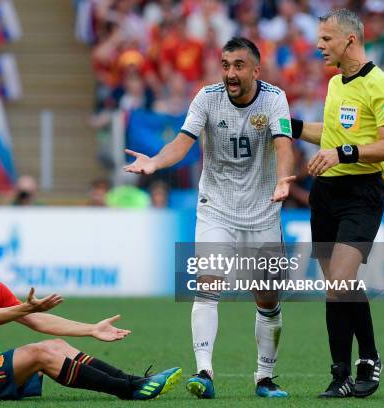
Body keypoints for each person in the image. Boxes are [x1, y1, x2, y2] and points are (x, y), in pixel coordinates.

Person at [125, 37, 295, 399]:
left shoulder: (274, 98)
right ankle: (204, 372)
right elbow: (183, 142)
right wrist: (155, 161)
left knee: (267, 298)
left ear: (255, 70)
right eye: (225, 65)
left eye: (238, 66)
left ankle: (264, 377)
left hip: (263, 210)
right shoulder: (207, 97)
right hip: (216, 207)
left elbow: (284, 145)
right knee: (208, 284)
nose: (230, 73)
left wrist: (283, 180)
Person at [0, 223, 182, 400]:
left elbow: (36, 319)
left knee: (56, 344)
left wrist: (91, 329)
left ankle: (137, 382)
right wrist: (25, 307)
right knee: (40, 352)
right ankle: (129, 390)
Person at [290, 9, 384, 398]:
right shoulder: (337, 82)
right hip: (326, 195)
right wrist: (293, 127)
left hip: (361, 194)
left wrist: (343, 153)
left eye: (326, 39)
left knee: (340, 281)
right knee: (334, 288)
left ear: (350, 40)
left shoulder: (382, 86)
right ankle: (339, 377)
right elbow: (333, 132)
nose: (318, 45)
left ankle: (369, 357)